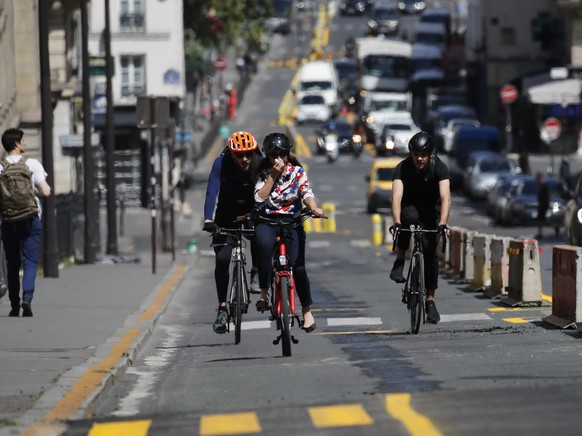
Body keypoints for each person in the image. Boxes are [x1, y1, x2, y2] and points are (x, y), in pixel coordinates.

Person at [254, 133, 324, 332]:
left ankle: (307, 311)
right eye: (273, 155)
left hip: (292, 222)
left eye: (282, 154)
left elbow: (306, 193)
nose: (278, 159)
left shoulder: (298, 172)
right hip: (268, 221)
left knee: (299, 268)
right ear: (267, 156)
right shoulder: (263, 174)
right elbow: (260, 199)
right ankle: (264, 294)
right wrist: (273, 176)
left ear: (288, 154)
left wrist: (314, 208)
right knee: (265, 248)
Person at [388, 132, 451, 324]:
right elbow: (396, 197)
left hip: (432, 209)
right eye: (415, 154)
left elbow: (446, 198)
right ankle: (400, 259)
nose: (419, 159)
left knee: (431, 250)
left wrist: (442, 224)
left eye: (423, 154)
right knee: (407, 219)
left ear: (430, 154)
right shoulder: (403, 168)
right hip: (411, 205)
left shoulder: (439, 167)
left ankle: (430, 300)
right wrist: (397, 222)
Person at [203, 131, 262, 334]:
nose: (245, 159)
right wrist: (208, 219)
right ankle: (222, 308)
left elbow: (267, 191)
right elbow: (212, 192)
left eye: (248, 154)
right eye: (239, 155)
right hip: (226, 211)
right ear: (232, 154)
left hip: (251, 208)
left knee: (258, 234)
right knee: (222, 259)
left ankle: (255, 272)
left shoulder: (259, 163)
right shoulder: (221, 164)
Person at [1, 128, 51, 317]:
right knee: (30, 261)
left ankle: (14, 305)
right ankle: (27, 299)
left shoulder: (0, 167)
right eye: (23, 141)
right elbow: (45, 191)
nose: (25, 144)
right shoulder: (31, 164)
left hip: (8, 220)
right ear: (16, 144)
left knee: (12, 263)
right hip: (31, 219)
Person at [535, 171, 550, 240]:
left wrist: (545, 202)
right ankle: (540, 232)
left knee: (541, 220)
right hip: (541, 204)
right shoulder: (540, 185)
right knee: (539, 220)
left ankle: (541, 233)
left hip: (543, 205)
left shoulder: (544, 185)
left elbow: (547, 195)